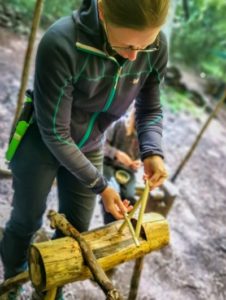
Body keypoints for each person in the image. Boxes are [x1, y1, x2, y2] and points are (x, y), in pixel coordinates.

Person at [0, 0, 169, 298]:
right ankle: (13, 278)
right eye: (127, 45)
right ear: (103, 11)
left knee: (75, 229)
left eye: (144, 47)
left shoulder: (155, 45)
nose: (133, 57)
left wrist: (152, 151)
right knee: (26, 219)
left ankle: (50, 288)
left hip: (90, 144)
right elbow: (56, 132)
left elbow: (150, 107)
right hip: (42, 140)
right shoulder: (61, 42)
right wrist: (101, 185)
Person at [102, 108, 141, 224]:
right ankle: (109, 224)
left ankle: (123, 224)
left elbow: (141, 157)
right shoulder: (118, 124)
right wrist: (117, 154)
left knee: (129, 196)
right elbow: (102, 146)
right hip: (108, 164)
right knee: (114, 191)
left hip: (127, 171)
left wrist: (138, 162)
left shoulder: (144, 137)